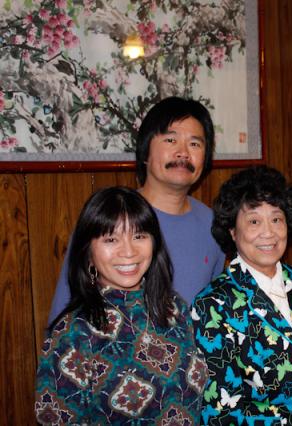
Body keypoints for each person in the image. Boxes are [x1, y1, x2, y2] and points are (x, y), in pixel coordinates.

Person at [35, 186, 208, 424]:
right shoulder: (73, 332)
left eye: (139, 236)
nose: (128, 251)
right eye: (111, 239)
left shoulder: (174, 307)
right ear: (88, 251)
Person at [49, 97, 225, 322]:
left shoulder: (214, 223)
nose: (183, 152)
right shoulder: (109, 217)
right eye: (170, 140)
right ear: (145, 152)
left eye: (195, 144)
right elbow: (65, 310)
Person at [191, 166, 292, 425]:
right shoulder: (212, 305)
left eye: (276, 219)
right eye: (254, 221)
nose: (268, 233)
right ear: (232, 231)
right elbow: (219, 410)